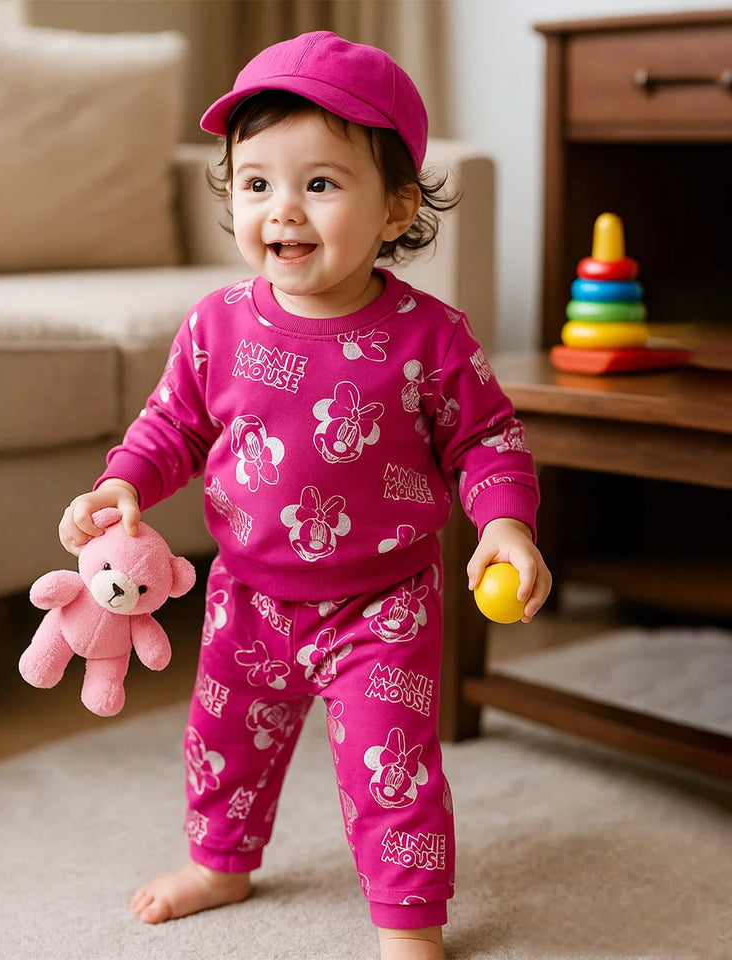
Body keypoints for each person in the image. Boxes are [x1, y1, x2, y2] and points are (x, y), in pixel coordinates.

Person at [58, 31, 551, 960]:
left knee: (393, 772)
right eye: (256, 184)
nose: (282, 209)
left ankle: (408, 924)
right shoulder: (216, 327)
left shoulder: (431, 339)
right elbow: (173, 429)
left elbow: (490, 440)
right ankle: (221, 862)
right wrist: (121, 485)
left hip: (386, 602)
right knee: (222, 741)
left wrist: (508, 527)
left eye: (320, 184)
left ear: (398, 206)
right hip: (247, 594)